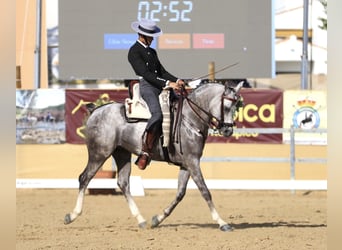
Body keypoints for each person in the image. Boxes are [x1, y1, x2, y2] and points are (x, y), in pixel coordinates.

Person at [128, 19, 185, 170]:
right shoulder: (134, 51)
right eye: (150, 35)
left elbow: (162, 72)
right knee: (157, 115)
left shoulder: (152, 52)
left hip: (159, 85)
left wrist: (177, 80)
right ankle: (145, 152)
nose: (152, 38)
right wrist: (167, 84)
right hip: (147, 87)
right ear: (142, 35)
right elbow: (145, 73)